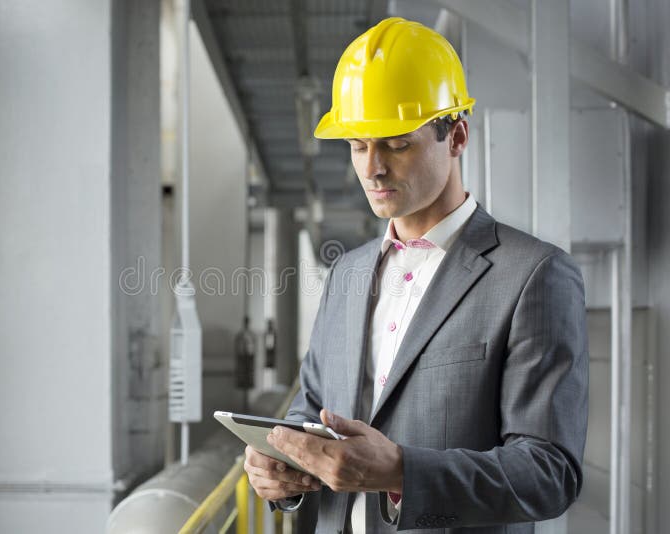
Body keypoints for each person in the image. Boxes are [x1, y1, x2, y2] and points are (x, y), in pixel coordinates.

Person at [243, 17, 588, 533]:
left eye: (397, 144)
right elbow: (310, 409)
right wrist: (279, 464)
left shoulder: (533, 276)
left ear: (457, 137)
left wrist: (403, 472)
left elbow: (548, 472)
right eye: (359, 146)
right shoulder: (348, 273)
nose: (373, 167)